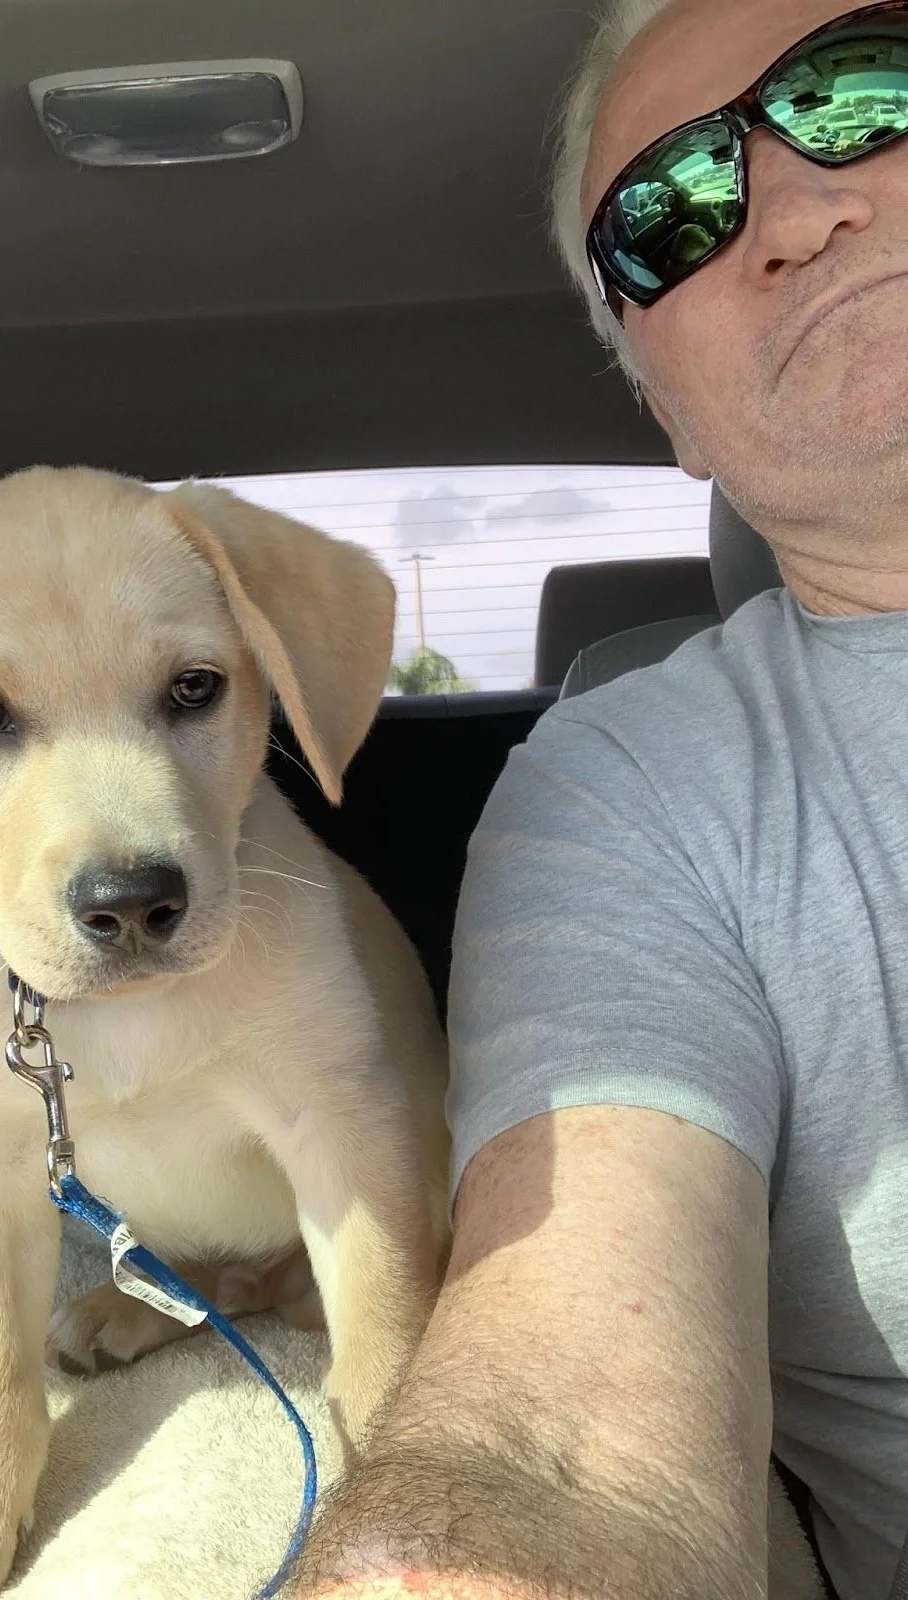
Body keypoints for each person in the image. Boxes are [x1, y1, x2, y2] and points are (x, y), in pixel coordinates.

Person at [286, 2, 908, 1597]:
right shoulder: (634, 789)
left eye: (857, 89)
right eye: (670, 214)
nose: (791, 212)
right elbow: (559, 1440)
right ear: (668, 415)